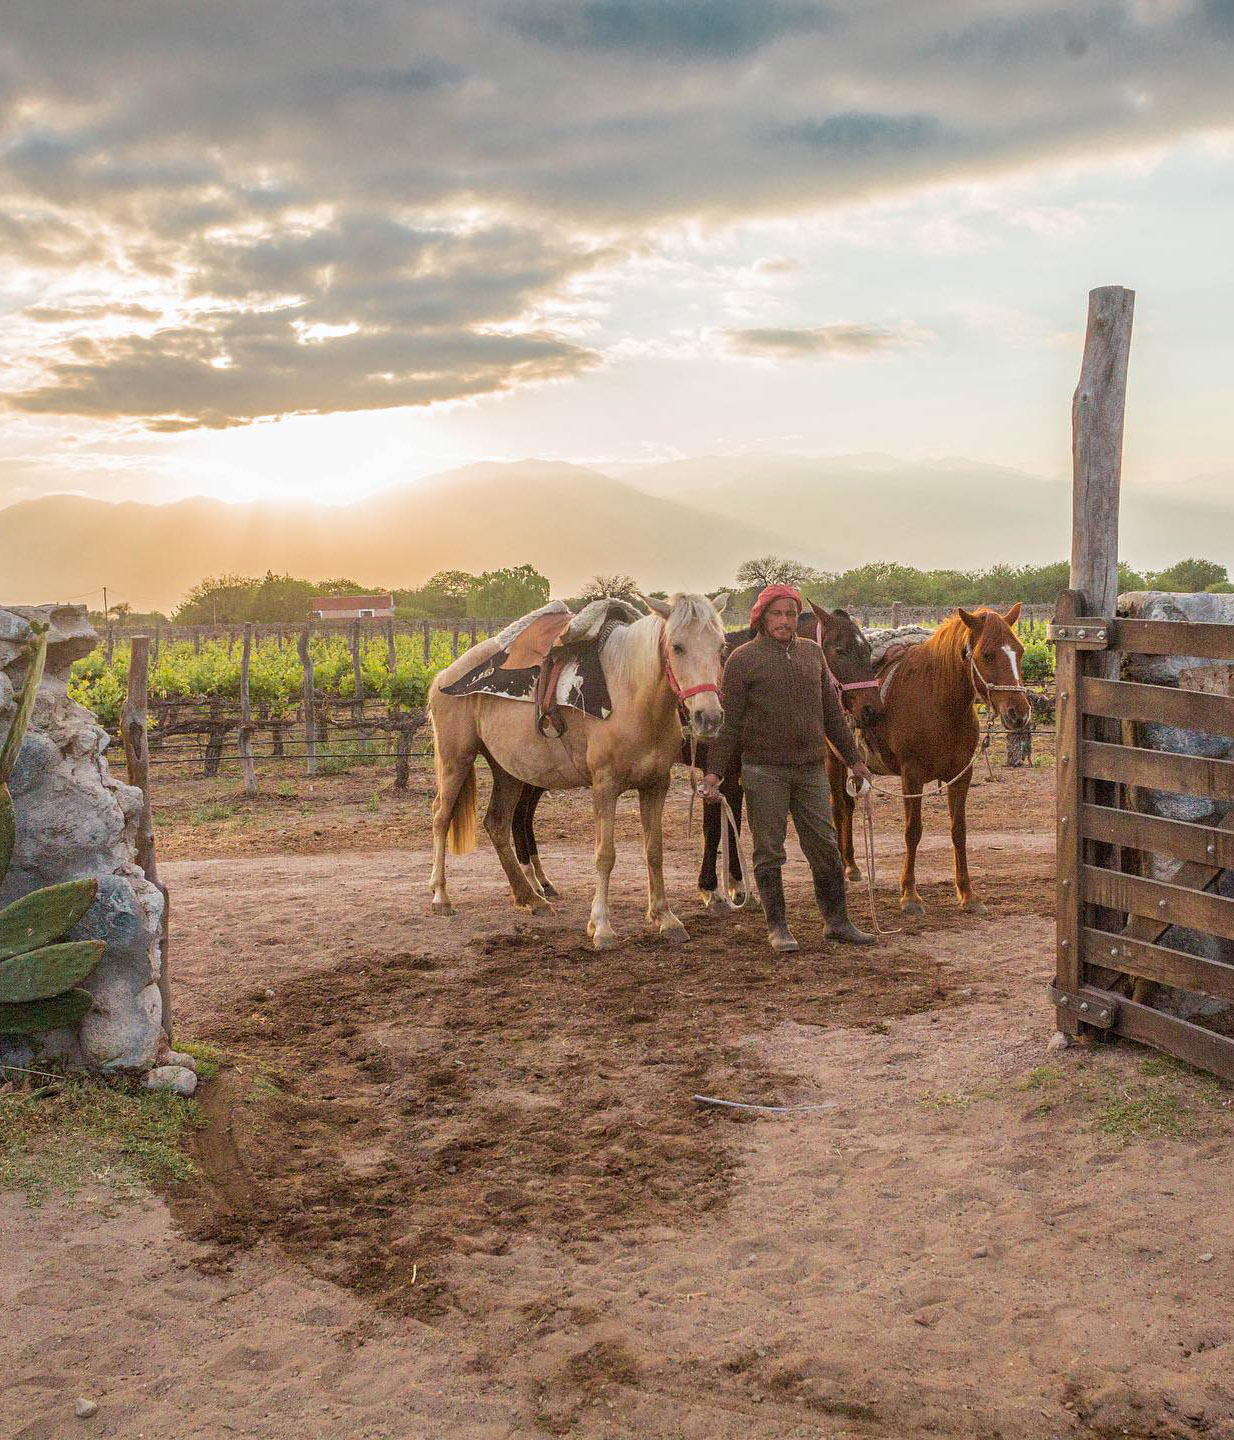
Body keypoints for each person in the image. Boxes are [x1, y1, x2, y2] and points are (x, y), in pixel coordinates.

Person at [701, 584, 875, 953]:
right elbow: (730, 725)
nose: (784, 621)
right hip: (764, 772)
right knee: (769, 851)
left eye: (791, 614)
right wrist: (714, 773)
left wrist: (855, 761)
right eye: (777, 614)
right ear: (762, 618)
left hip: (811, 770)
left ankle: (838, 922)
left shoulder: (813, 654)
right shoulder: (742, 660)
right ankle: (778, 927)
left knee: (826, 847)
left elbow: (831, 714)